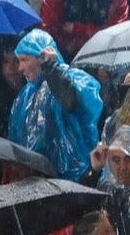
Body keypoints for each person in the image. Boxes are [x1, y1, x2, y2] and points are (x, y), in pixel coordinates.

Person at [7, 28, 104, 182]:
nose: (19, 68)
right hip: (36, 181)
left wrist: (52, 69)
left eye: (24, 60)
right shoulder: (25, 95)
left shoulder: (75, 79)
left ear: (41, 57)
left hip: (77, 179)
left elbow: (73, 103)